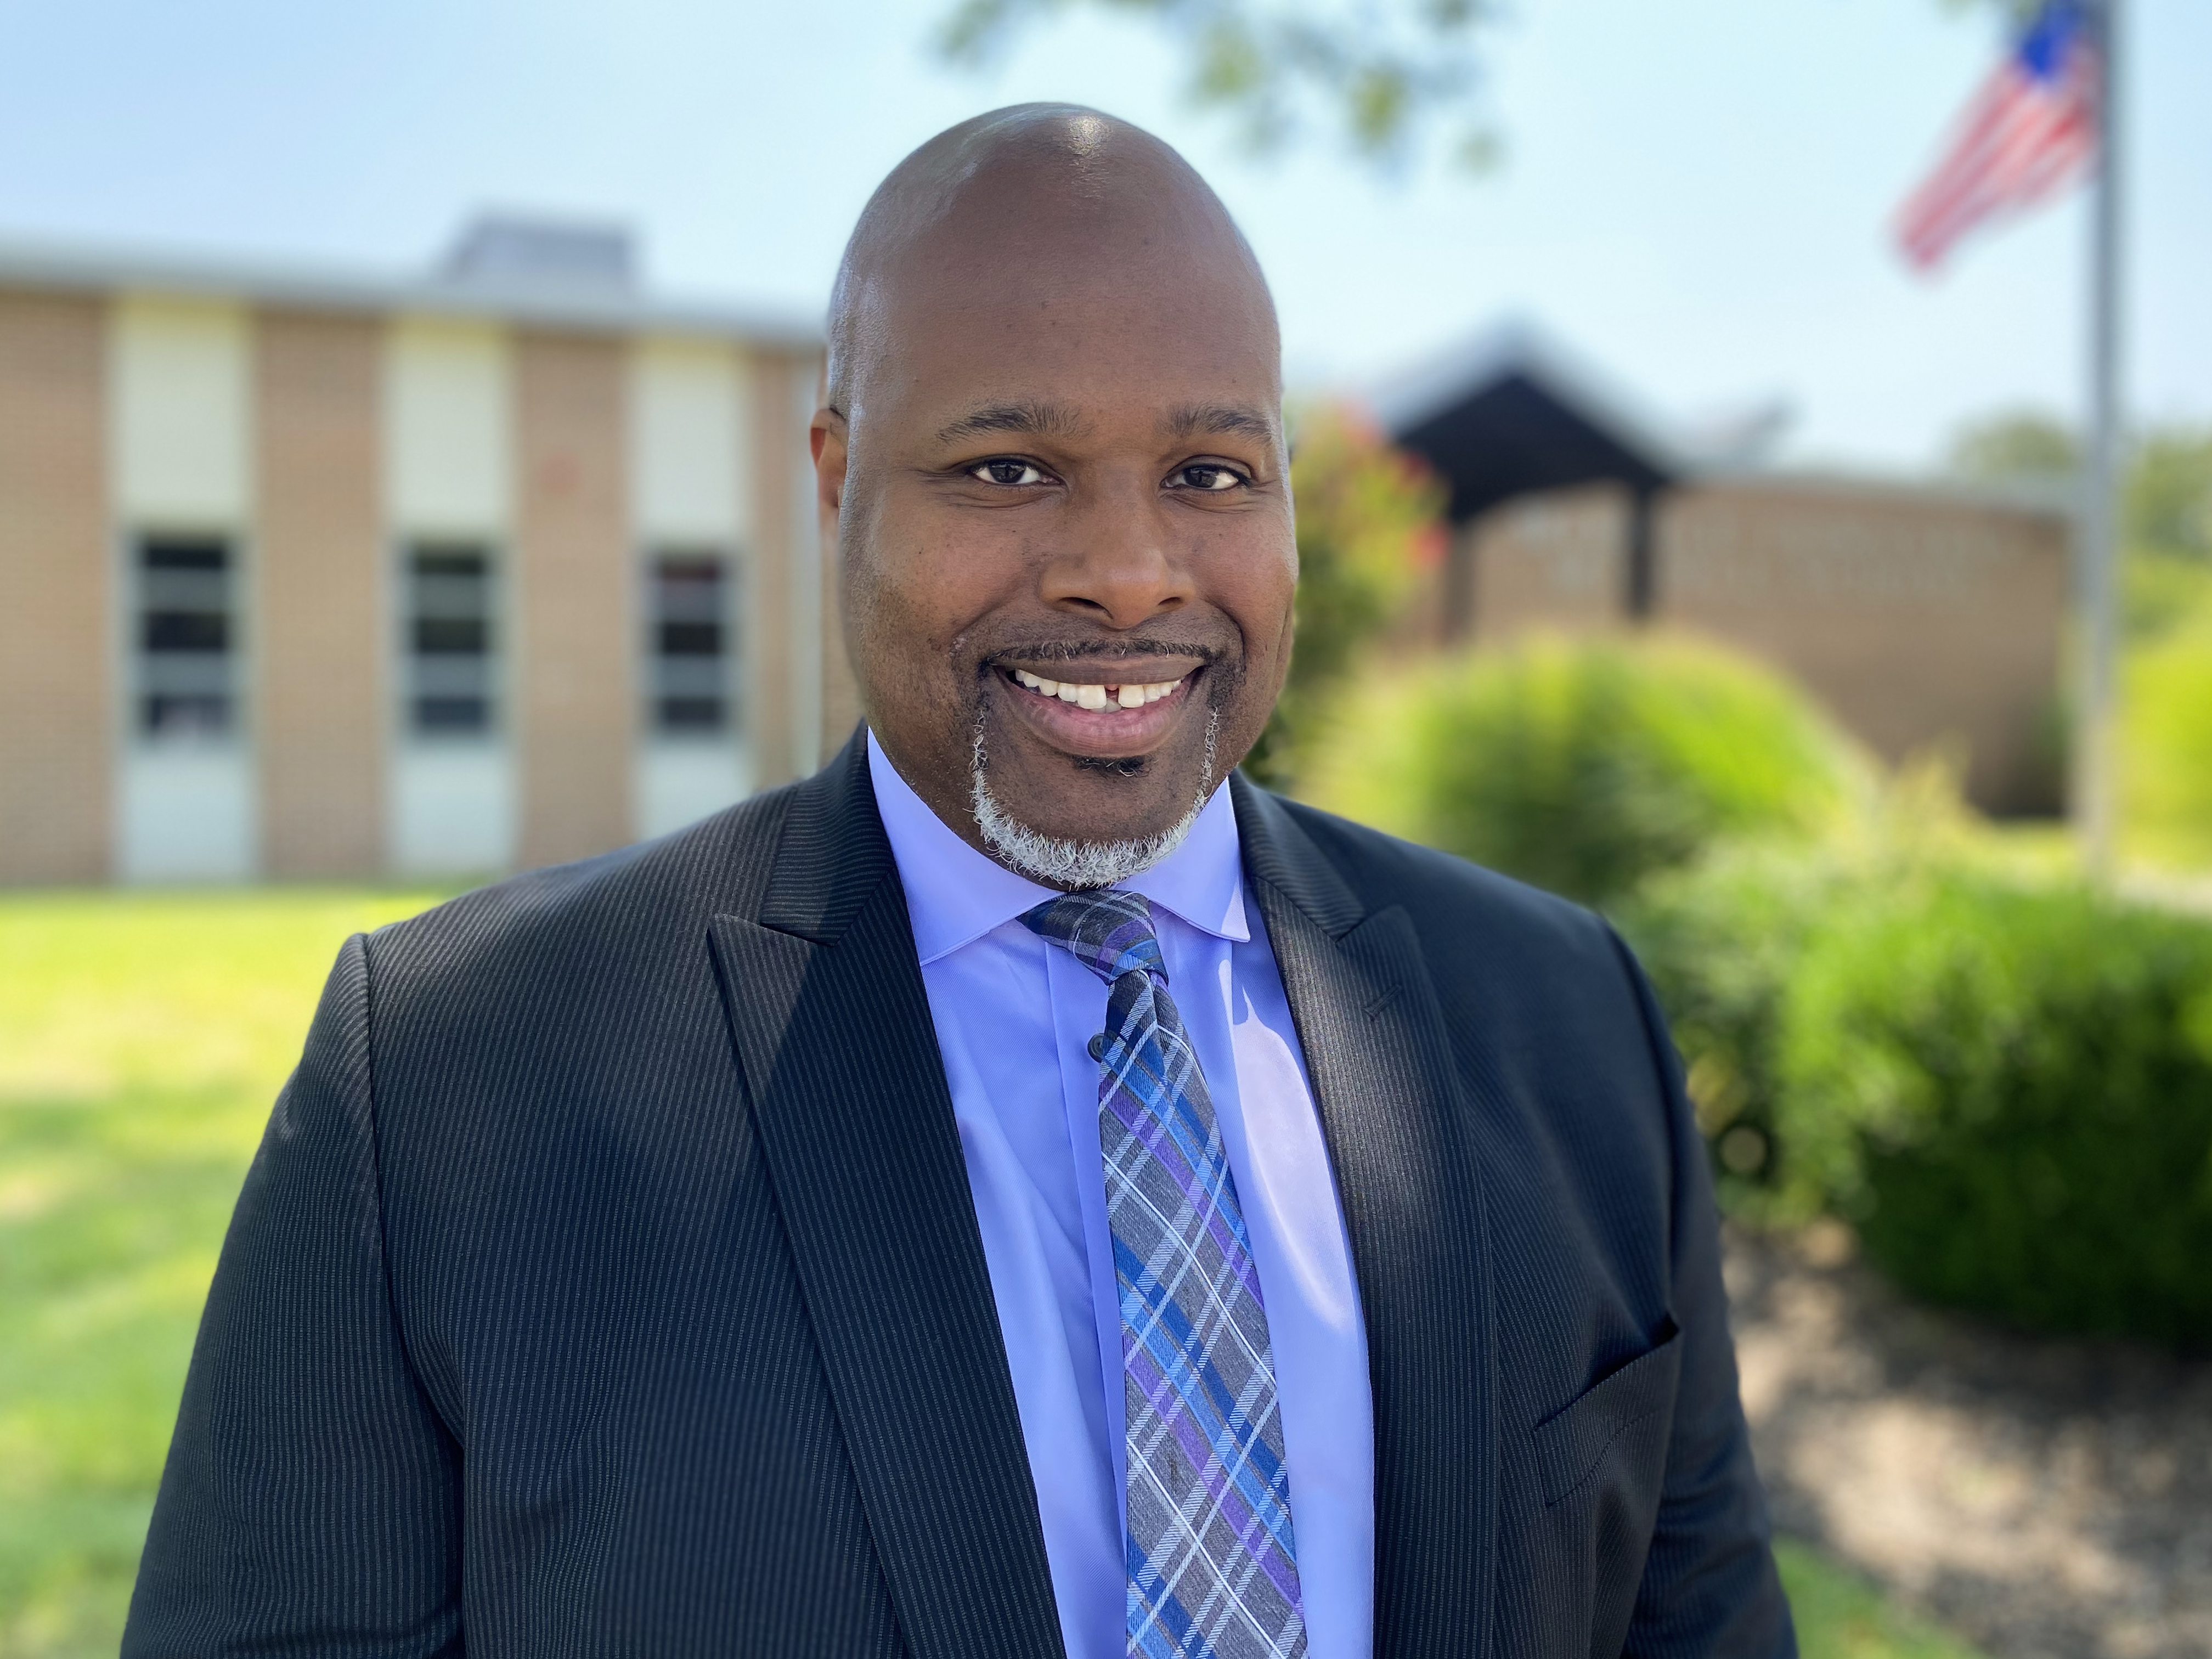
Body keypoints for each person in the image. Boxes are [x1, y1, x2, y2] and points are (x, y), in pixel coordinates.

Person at [125, 105, 1793, 1659]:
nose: (1130, 574)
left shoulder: (1570, 1023)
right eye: (1009, 471)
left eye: (1212, 473)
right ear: (840, 481)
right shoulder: (443, 1085)